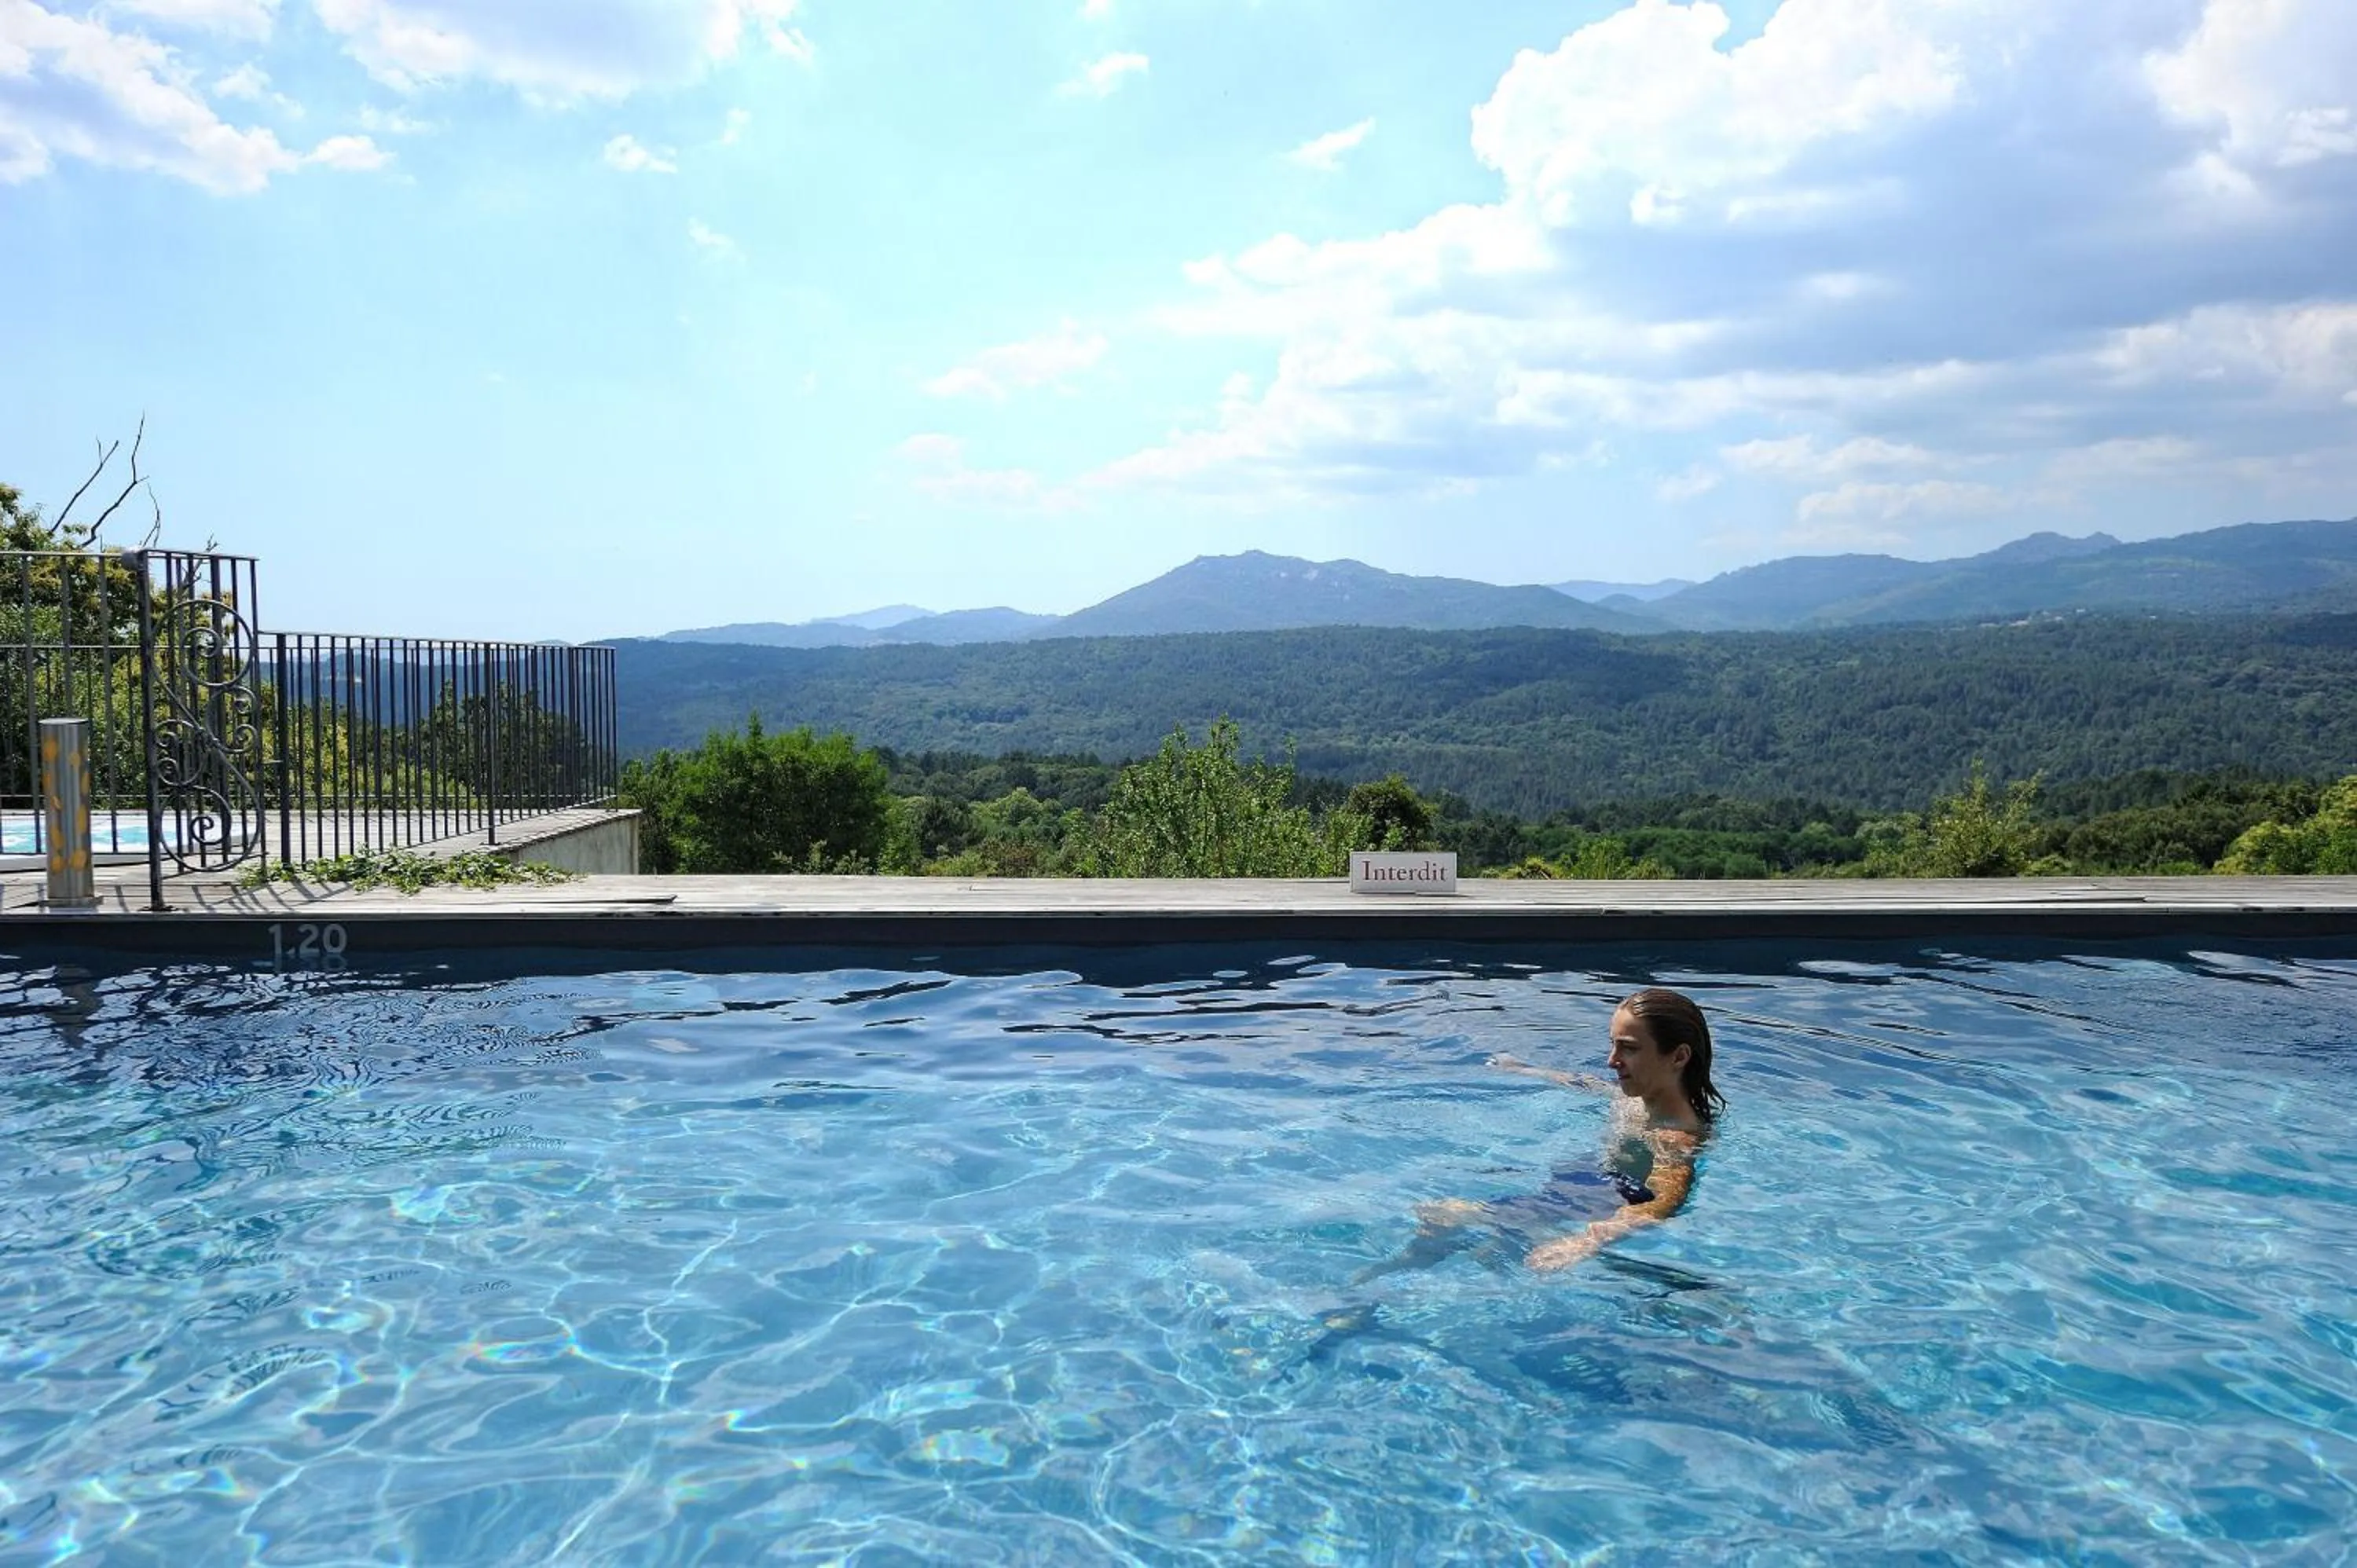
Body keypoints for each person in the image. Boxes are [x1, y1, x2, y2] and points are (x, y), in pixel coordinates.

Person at [1356, 986, 1725, 1280]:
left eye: (1628, 1048)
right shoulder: (1636, 1099)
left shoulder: (1674, 1136)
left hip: (1597, 1199)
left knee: (1449, 1223)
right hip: (1581, 1181)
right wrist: (1524, 1070)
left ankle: (1375, 1288)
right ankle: (1379, 1286)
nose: (1612, 1060)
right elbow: (1585, 1083)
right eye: (1612, 1044)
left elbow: (1663, 1202)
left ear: (1679, 1057)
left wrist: (1585, 1242)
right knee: (1453, 1234)